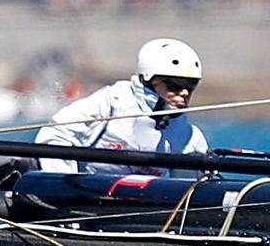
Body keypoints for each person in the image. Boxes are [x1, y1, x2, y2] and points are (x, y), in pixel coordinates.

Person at [34, 38, 208, 175]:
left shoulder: (188, 136)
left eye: (191, 86)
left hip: (133, 211)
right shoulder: (112, 102)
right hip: (84, 201)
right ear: (148, 81)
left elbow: (191, 194)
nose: (185, 93)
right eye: (174, 85)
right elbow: (55, 134)